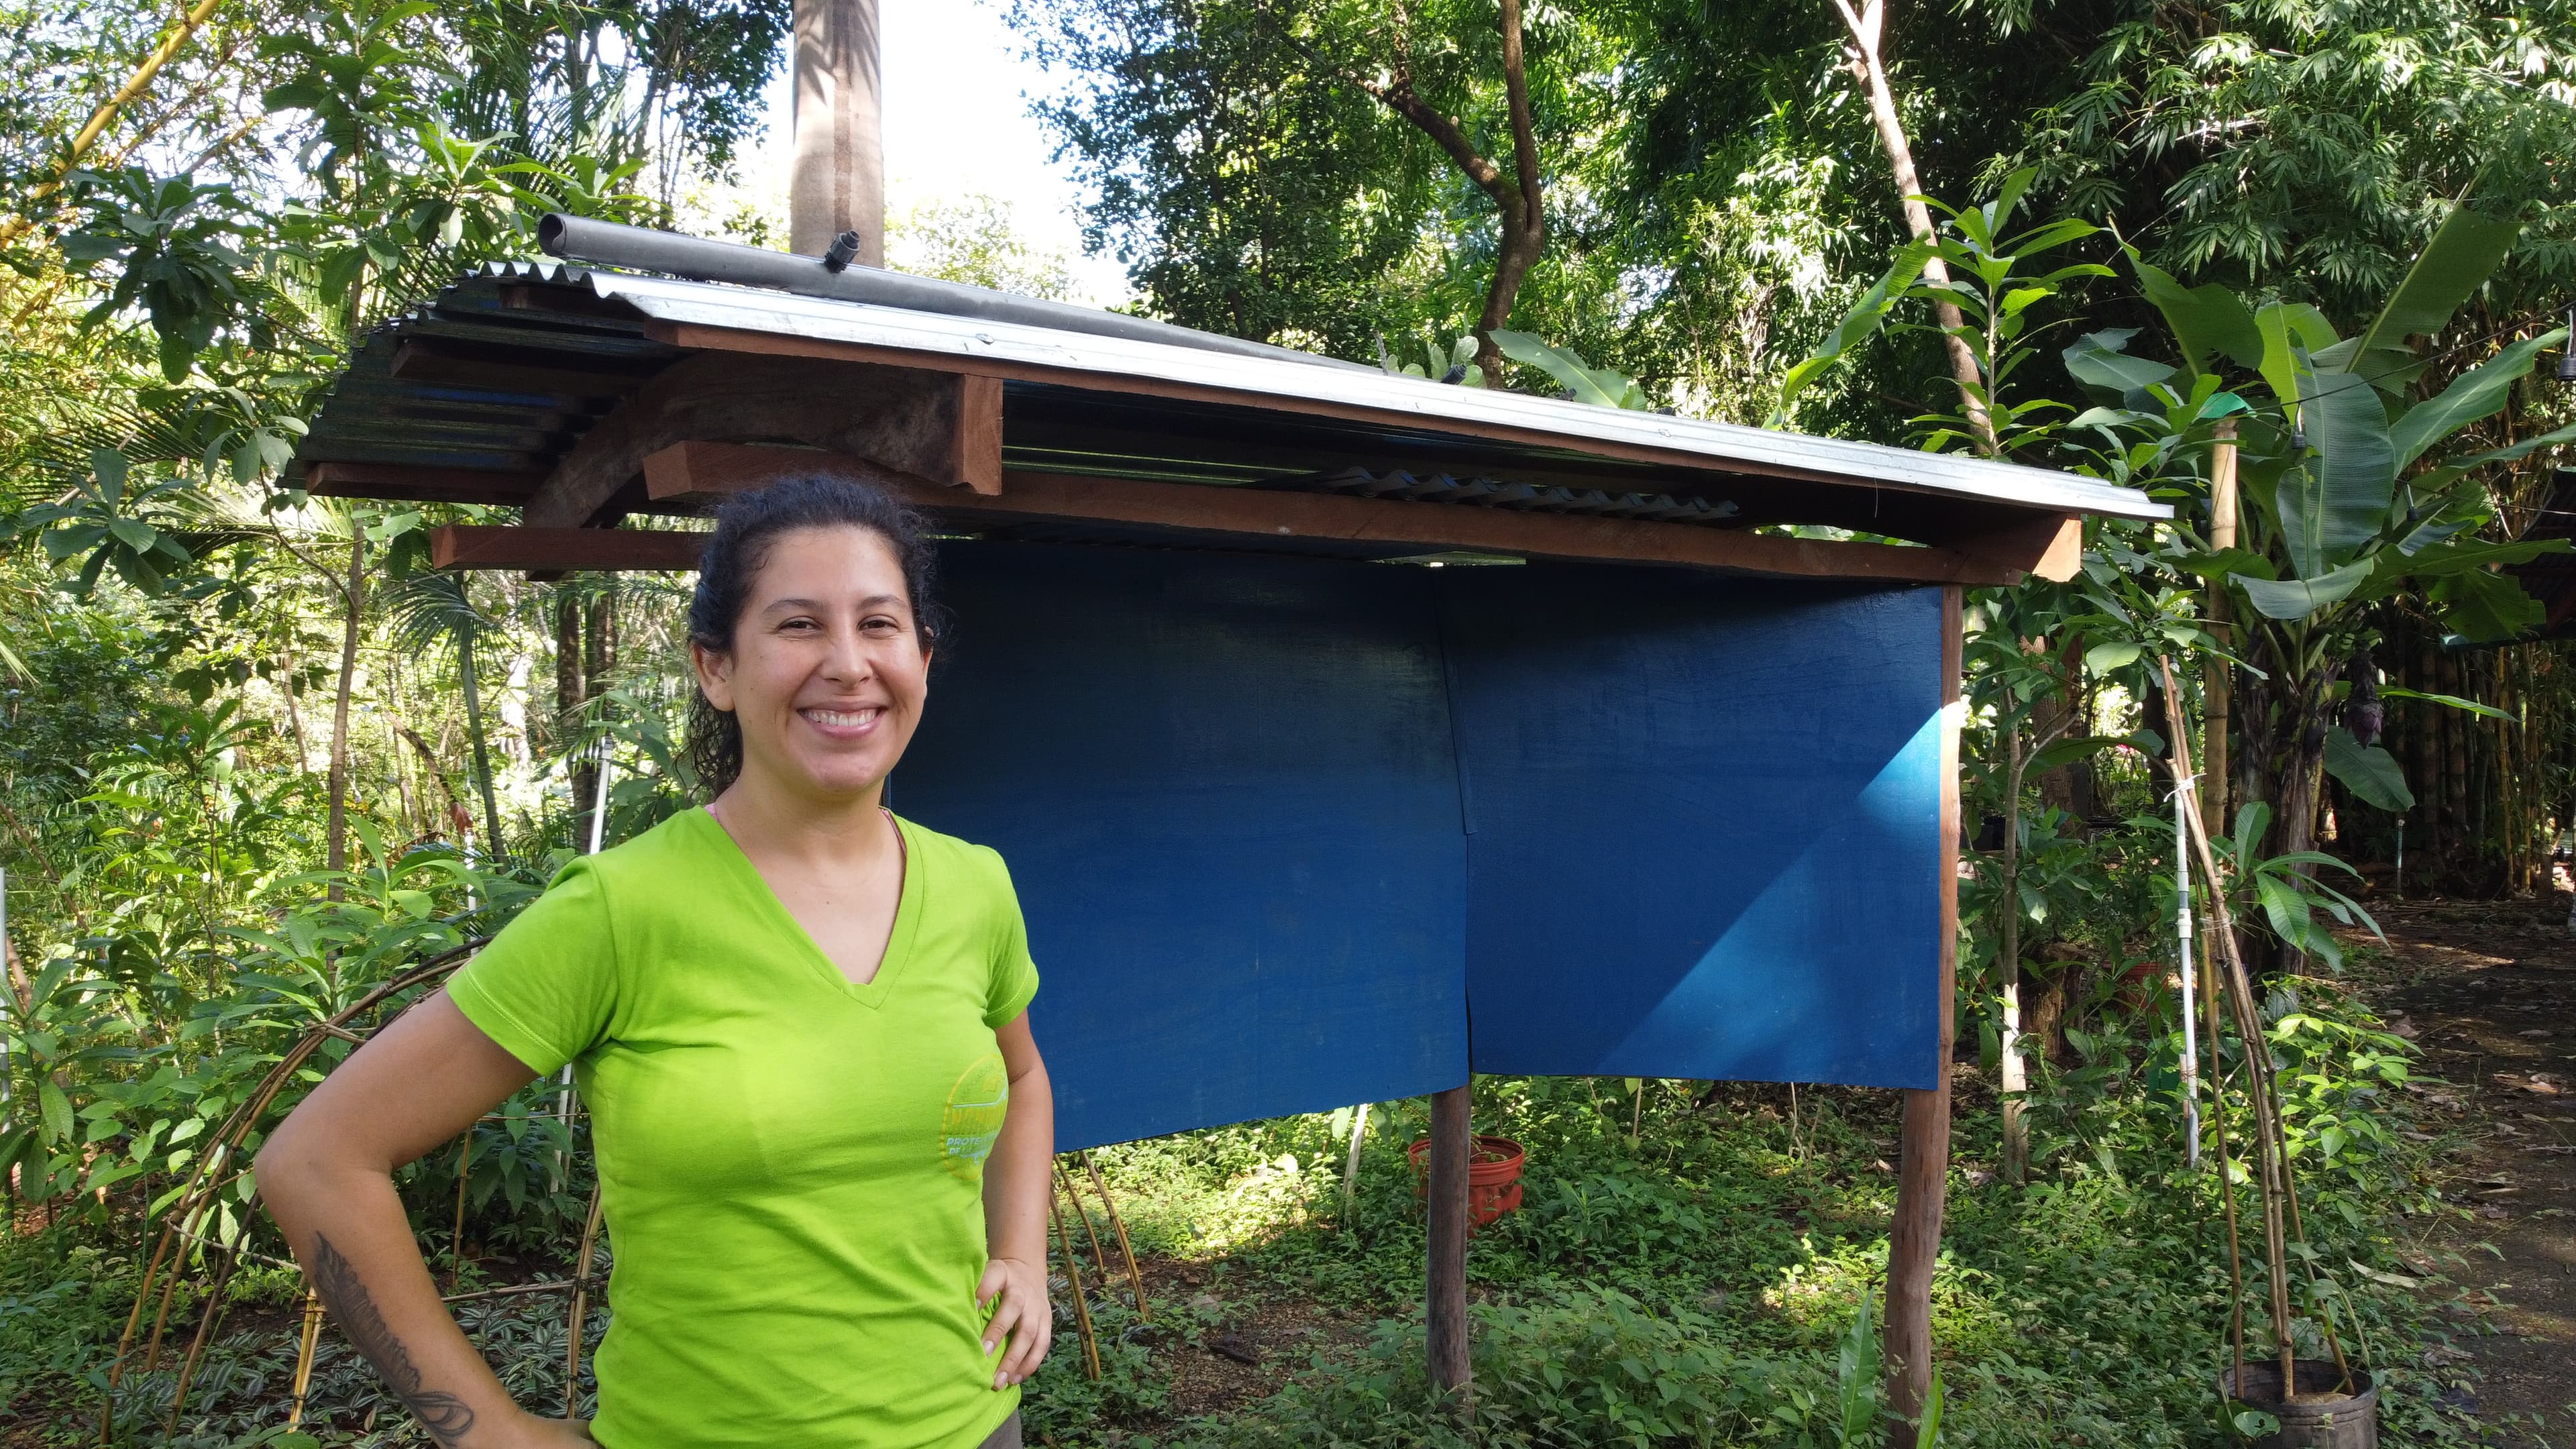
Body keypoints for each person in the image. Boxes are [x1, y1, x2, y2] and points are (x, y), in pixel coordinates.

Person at [258, 476, 1055, 1448]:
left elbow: (1020, 1072)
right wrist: (489, 1433)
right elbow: (317, 1161)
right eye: (799, 625)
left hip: (976, 1428)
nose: (848, 664)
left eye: (879, 624)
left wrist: (1021, 1250)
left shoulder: (976, 887)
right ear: (716, 668)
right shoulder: (622, 909)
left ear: (922, 658)